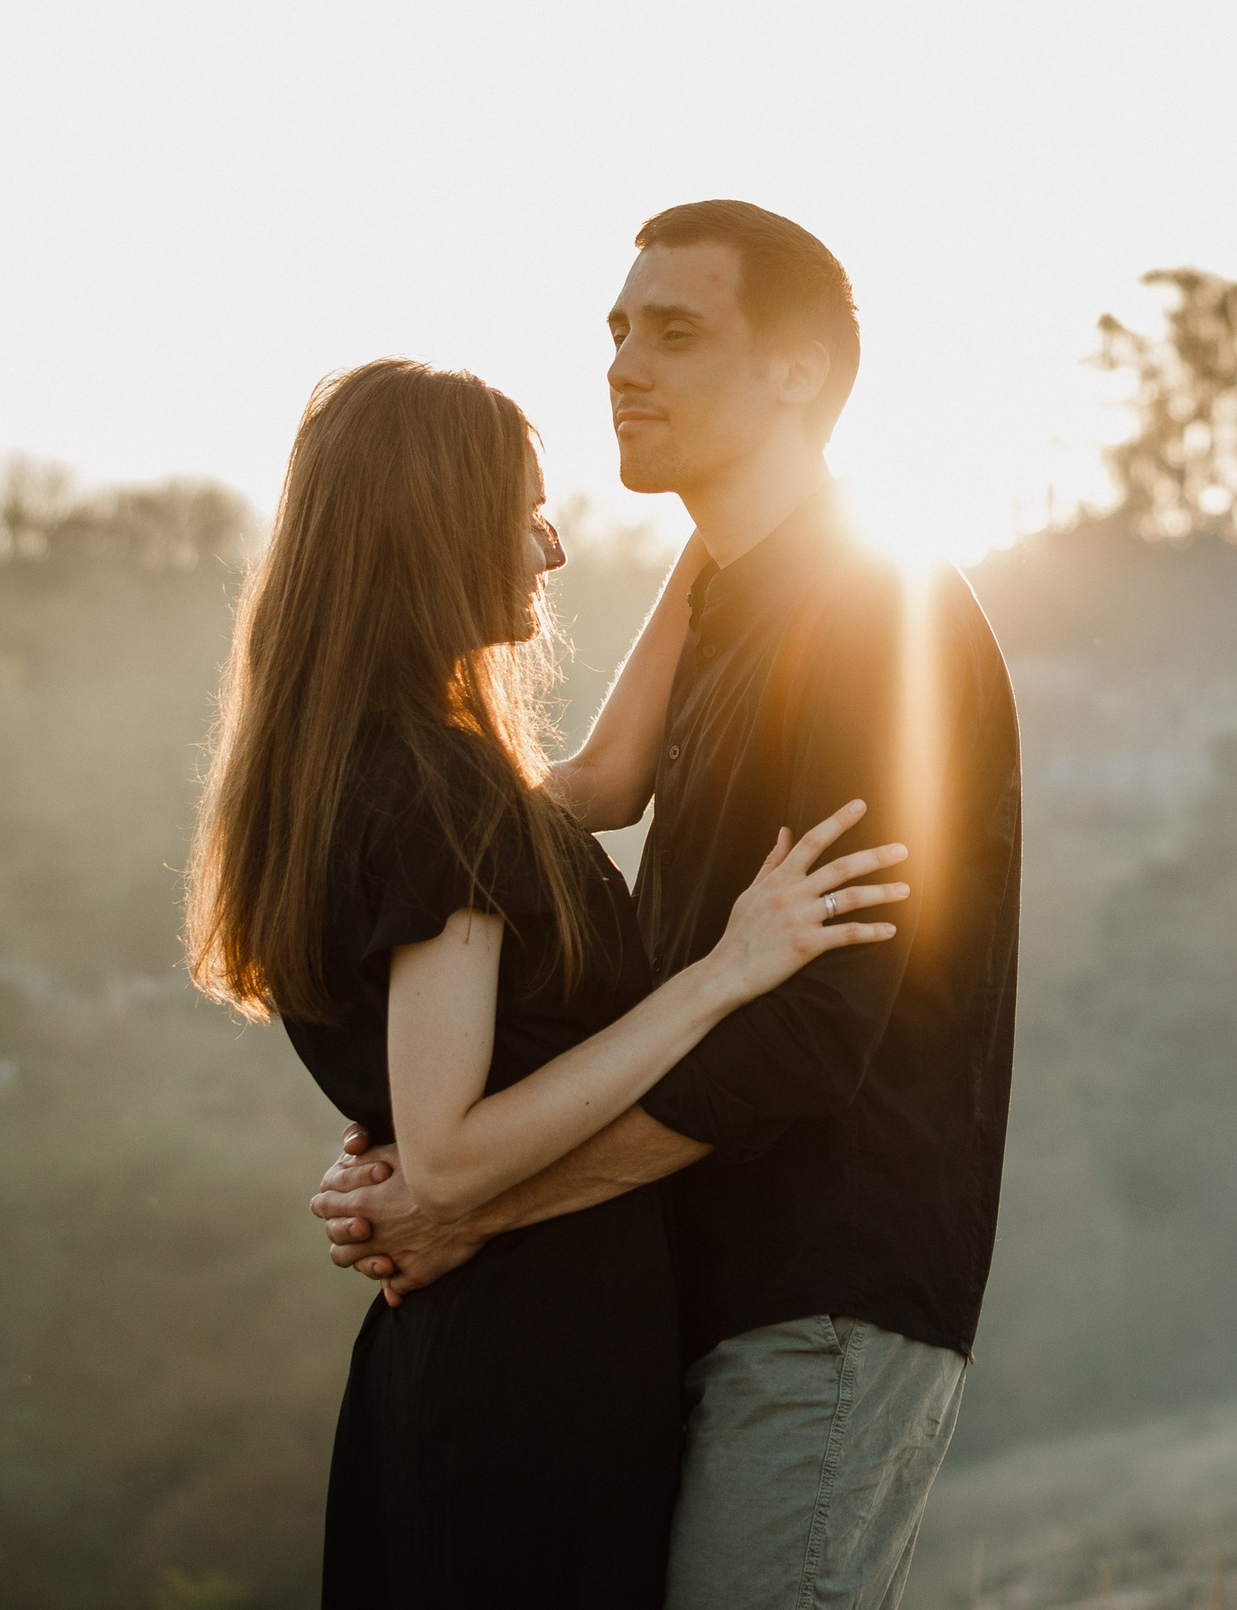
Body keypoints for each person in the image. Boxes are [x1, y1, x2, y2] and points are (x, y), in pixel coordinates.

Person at [312, 201, 1025, 1609]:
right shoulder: (733, 603)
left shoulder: (875, 614)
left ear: (798, 373)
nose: (624, 365)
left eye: (676, 332)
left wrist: (473, 1205)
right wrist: (421, 1125)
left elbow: (811, 1034)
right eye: (618, 330)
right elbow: (574, 803)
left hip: (818, 1297)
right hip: (690, 1284)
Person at [185, 357, 909, 1607]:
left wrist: (730, 509)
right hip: (529, 1368)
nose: (554, 548)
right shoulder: (439, 794)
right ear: (437, 530)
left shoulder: (359, 776)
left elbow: (608, 782)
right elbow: (454, 1158)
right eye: (524, 512)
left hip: (482, 1354)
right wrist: (724, 974)